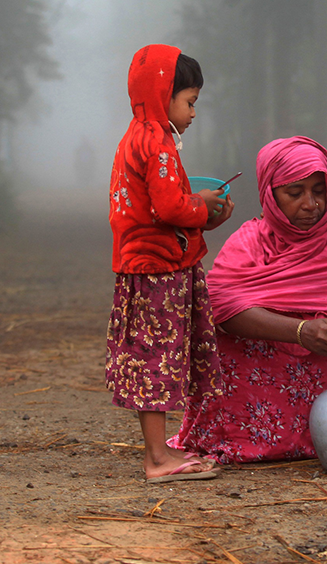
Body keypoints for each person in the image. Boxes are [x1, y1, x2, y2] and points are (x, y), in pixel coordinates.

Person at [172, 136, 327, 463]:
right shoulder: (248, 242)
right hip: (259, 381)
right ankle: (244, 437)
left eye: (319, 191)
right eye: (294, 193)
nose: (310, 204)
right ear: (269, 194)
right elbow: (218, 307)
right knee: (222, 342)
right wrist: (300, 331)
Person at [106, 44, 236, 484]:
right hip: (158, 271)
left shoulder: (135, 135)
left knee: (151, 358)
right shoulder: (157, 143)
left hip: (144, 267)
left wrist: (198, 212)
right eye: (190, 102)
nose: (194, 112)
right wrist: (202, 206)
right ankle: (159, 459)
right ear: (163, 95)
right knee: (157, 359)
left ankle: (160, 452)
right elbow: (167, 208)